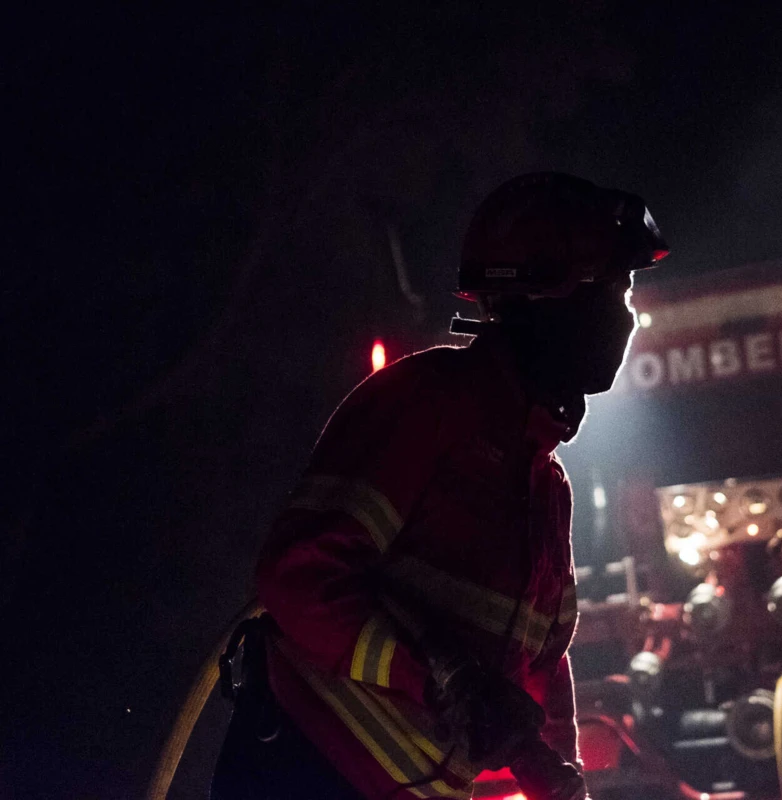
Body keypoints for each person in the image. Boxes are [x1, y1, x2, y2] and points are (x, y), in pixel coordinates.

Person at [211, 172, 668, 800]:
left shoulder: (543, 484)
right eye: (613, 291)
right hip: (306, 770)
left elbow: (536, 669)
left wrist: (554, 773)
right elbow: (300, 577)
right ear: (539, 294)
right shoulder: (427, 404)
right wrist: (439, 676)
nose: (624, 318)